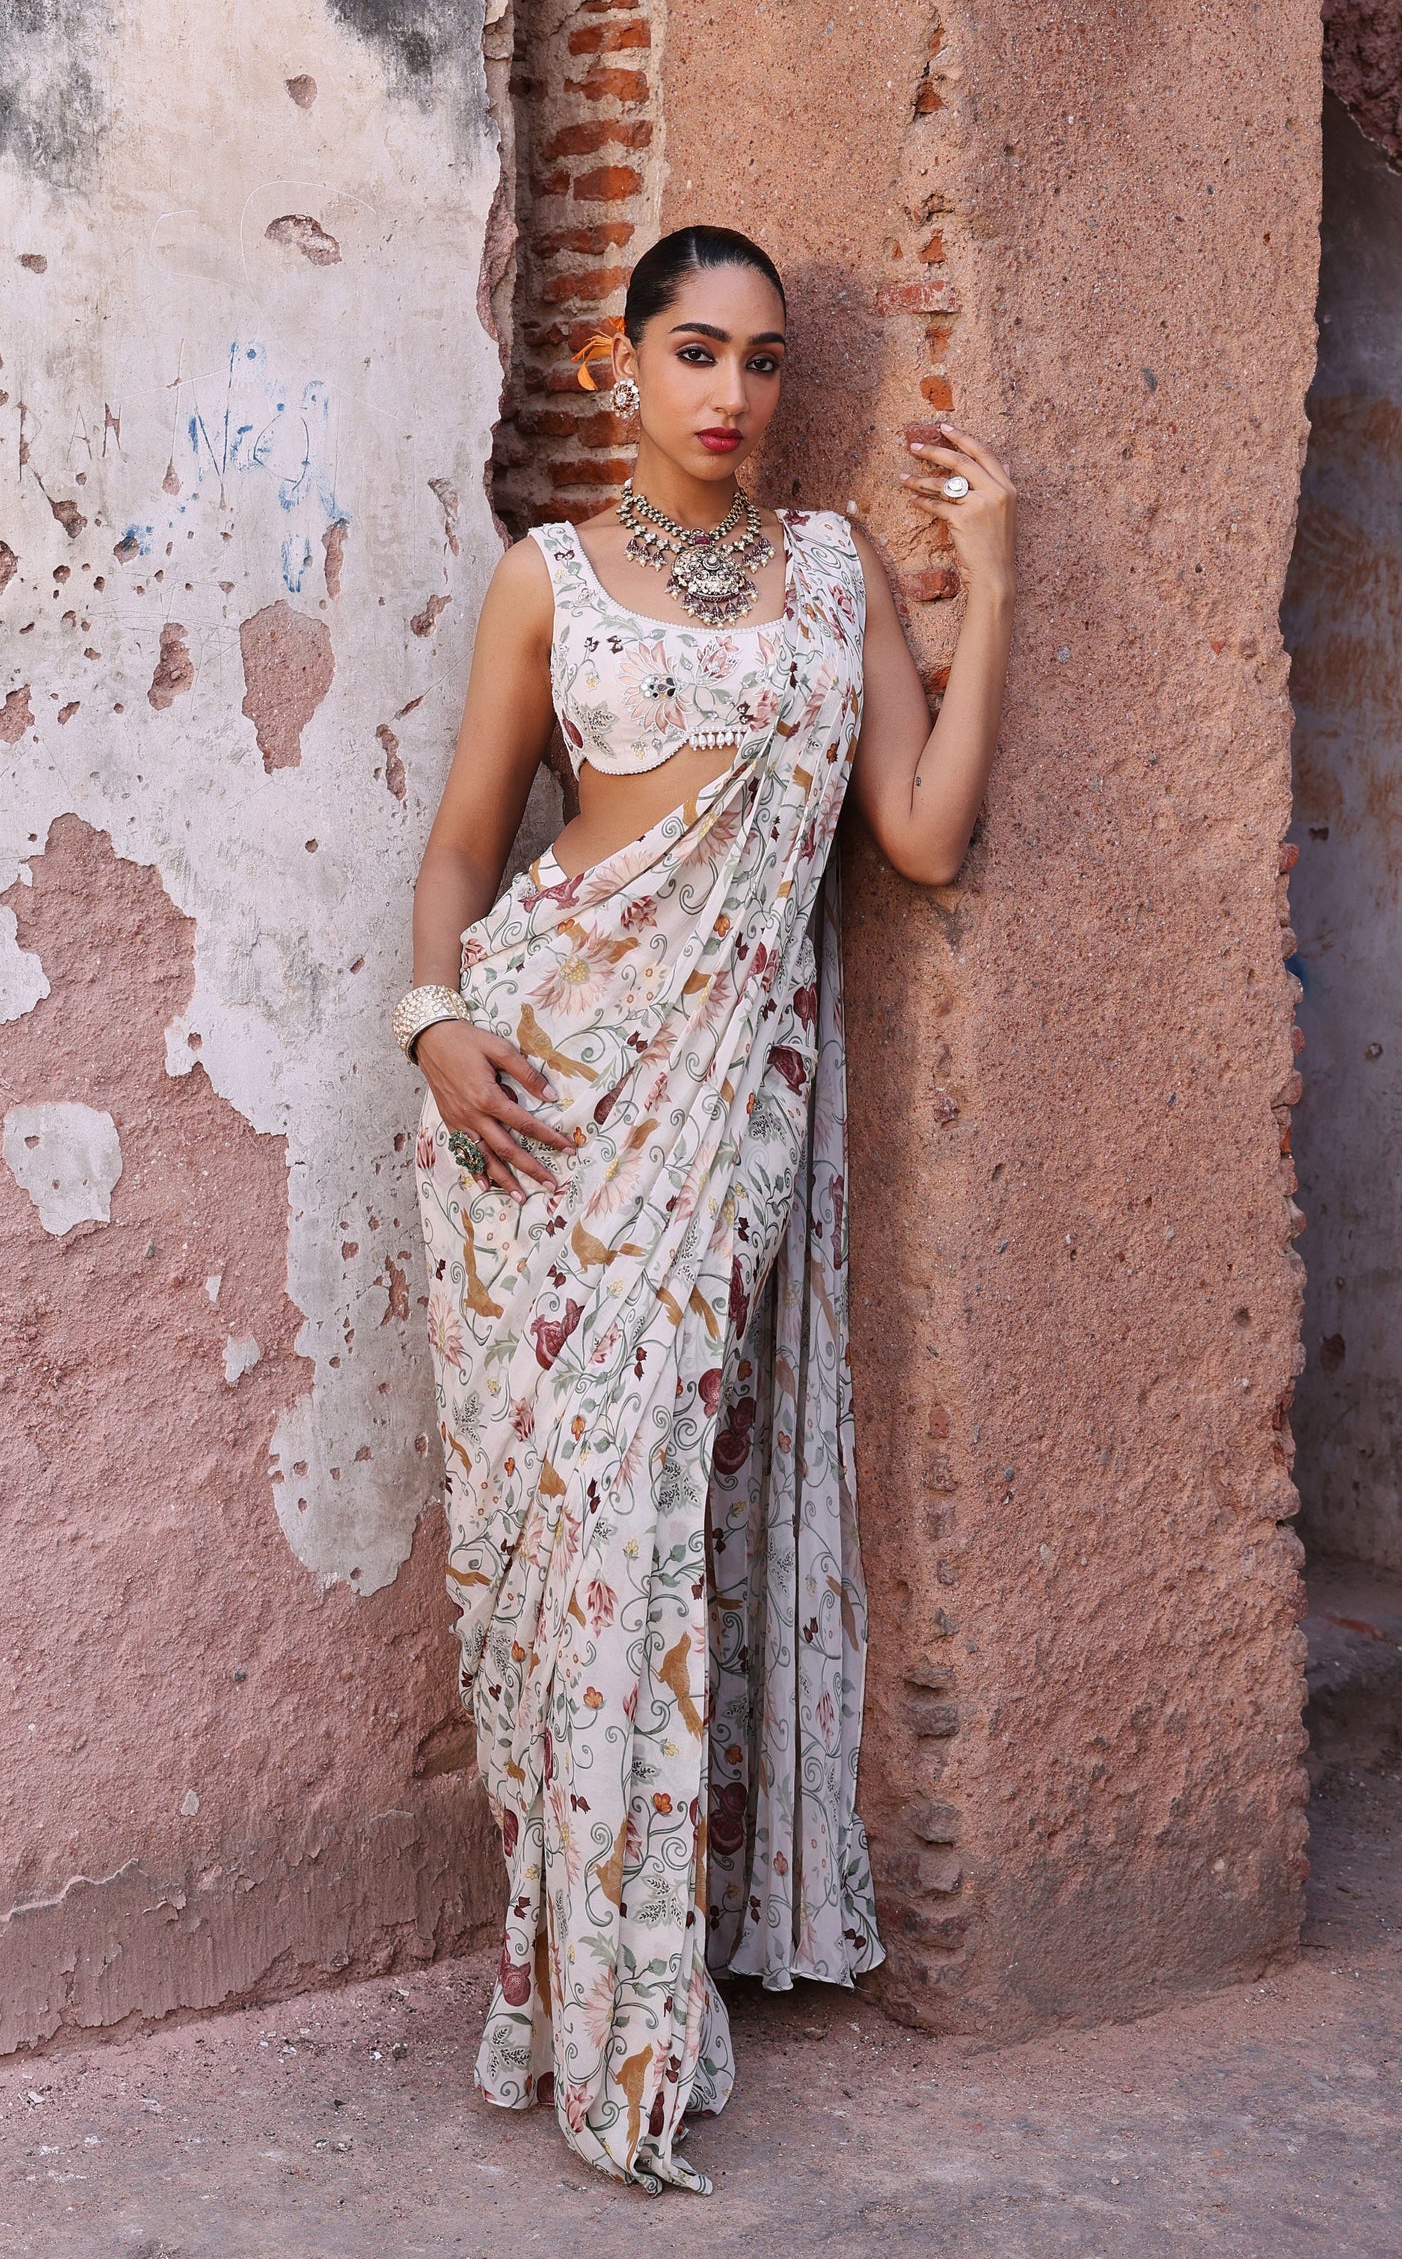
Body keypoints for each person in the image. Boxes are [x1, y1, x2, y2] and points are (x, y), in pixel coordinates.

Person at [397, 224, 1016, 2193]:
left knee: (652, 1523)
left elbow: (917, 838)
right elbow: (463, 847)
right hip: (535, 1096)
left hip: (718, 1118)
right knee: (550, 1561)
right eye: (692, 350)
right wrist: (433, 1025)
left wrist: (993, 584)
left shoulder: (833, 574)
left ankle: (637, 2007)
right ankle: (567, 1975)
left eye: (759, 358)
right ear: (622, 362)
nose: (730, 392)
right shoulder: (550, 579)